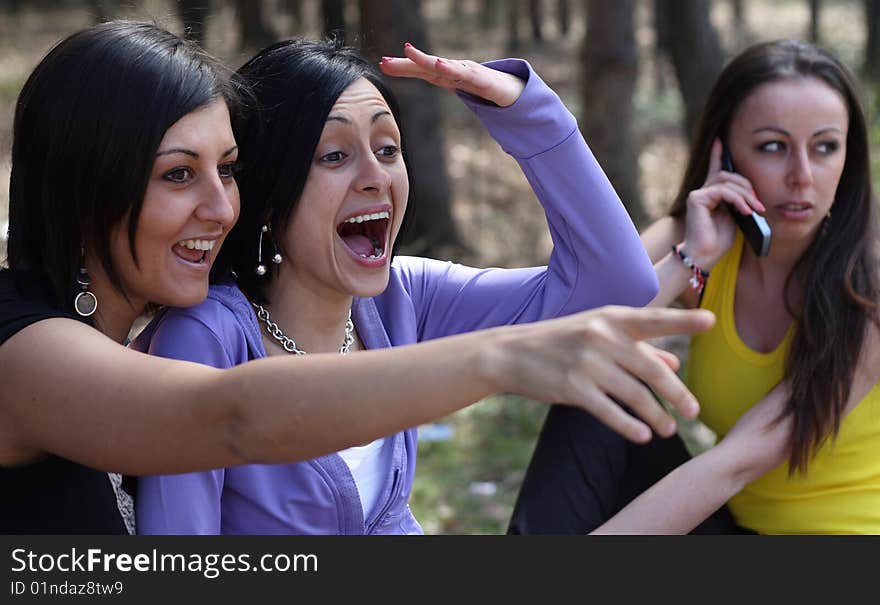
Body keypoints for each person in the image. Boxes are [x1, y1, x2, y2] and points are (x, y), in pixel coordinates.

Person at [0, 21, 714, 535]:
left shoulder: (396, 297)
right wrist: (502, 358)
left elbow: (606, 282)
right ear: (91, 183)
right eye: (179, 173)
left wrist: (531, 115)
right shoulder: (27, 344)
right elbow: (229, 419)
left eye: (227, 170)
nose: (222, 207)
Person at [508, 39, 880, 535]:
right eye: (773, 147)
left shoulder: (869, 281)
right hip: (735, 530)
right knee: (600, 390)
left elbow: (740, 461)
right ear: (724, 154)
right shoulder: (697, 239)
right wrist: (690, 261)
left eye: (825, 147)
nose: (802, 176)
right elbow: (565, 341)